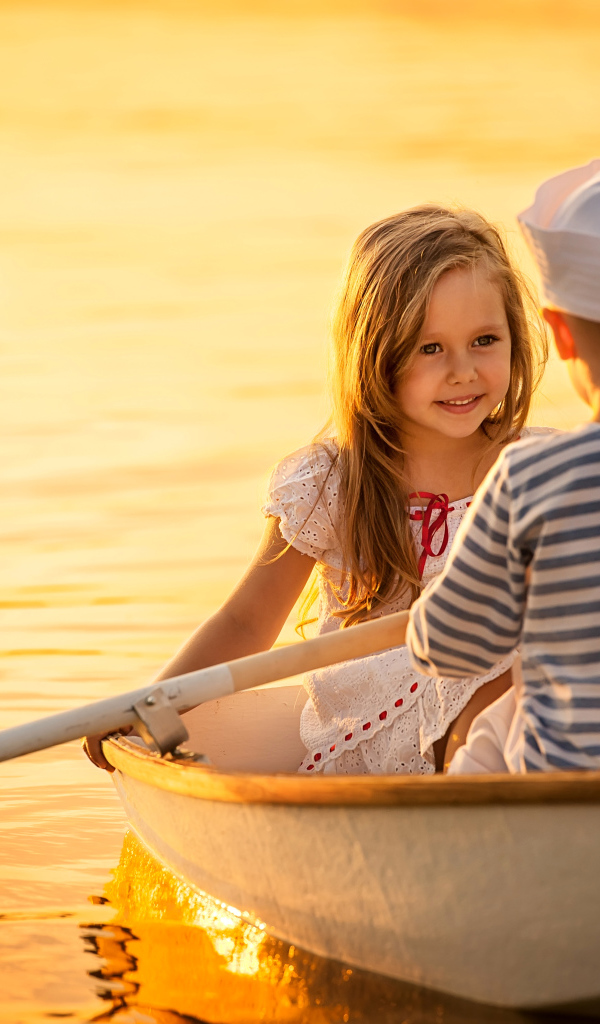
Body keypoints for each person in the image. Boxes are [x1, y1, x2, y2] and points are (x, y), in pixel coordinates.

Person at [84, 204, 547, 774]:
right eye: (430, 348)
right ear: (376, 355)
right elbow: (246, 622)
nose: (463, 370)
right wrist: (150, 703)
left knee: (542, 666)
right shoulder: (333, 484)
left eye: (484, 340)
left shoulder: (539, 468)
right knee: (503, 685)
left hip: (514, 709)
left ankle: (543, 824)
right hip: (382, 719)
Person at [406, 160, 600, 774]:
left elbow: (449, 645)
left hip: (561, 797)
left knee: (495, 731)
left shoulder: (532, 478)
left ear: (558, 335)